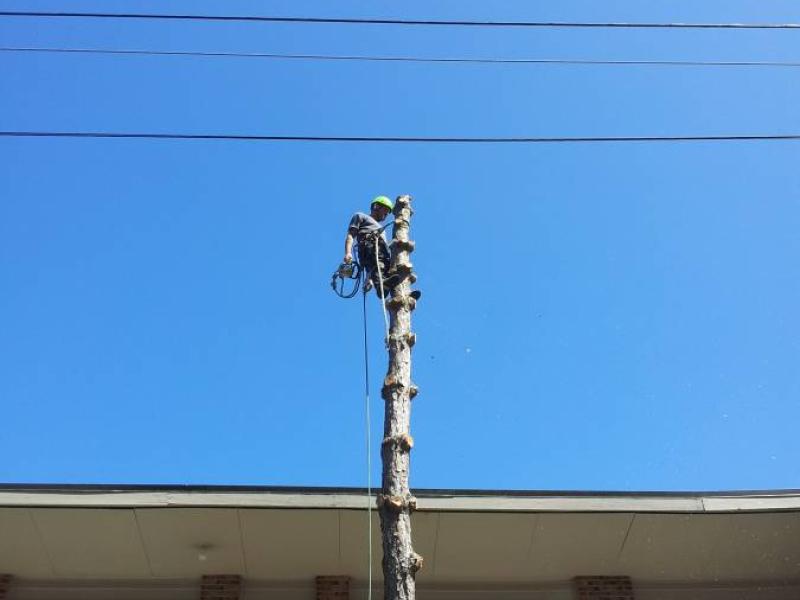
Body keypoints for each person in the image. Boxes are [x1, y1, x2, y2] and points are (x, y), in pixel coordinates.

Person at [343, 196, 398, 298]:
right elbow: (351, 236)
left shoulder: (382, 230)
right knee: (378, 262)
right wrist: (348, 252)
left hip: (382, 251)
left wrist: (369, 279)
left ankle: (401, 293)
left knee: (391, 270)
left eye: (387, 213)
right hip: (369, 246)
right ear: (376, 206)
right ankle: (381, 285)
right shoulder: (360, 216)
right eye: (385, 211)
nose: (385, 215)